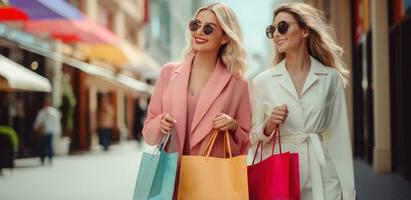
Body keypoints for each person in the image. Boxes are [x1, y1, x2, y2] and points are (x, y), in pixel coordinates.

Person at [142, 2, 251, 193]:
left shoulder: (237, 82)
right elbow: (148, 131)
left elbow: (246, 141)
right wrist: (161, 123)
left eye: (208, 28)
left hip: (210, 181)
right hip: (170, 180)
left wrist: (232, 126)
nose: (199, 32)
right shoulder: (168, 72)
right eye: (195, 25)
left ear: (225, 37)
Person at [250, 3, 355, 199]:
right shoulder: (262, 82)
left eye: (282, 27)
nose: (276, 34)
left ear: (305, 30)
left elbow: (339, 138)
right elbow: (253, 137)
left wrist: (348, 191)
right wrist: (270, 124)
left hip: (323, 173)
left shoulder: (330, 78)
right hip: (282, 174)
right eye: (271, 30)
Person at [33, 97, 61, 165]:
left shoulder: (50, 112)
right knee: (45, 145)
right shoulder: (44, 112)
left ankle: (48, 158)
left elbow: (56, 122)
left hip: (49, 131)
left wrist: (35, 128)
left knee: (47, 145)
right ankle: (45, 158)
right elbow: (38, 121)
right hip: (46, 132)